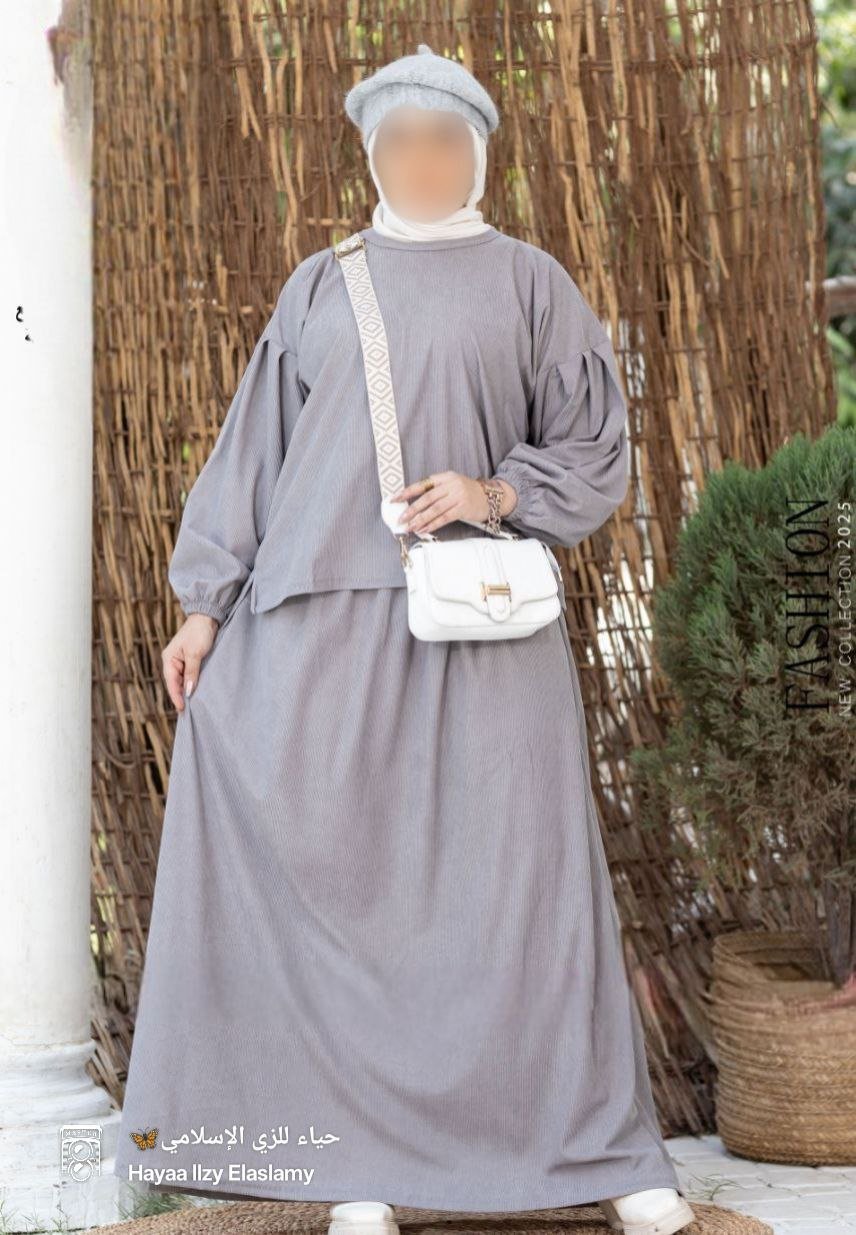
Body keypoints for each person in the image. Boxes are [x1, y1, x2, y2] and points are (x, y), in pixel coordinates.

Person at [113, 42, 695, 1235]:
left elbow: (594, 448)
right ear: (372, 158)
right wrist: (204, 603)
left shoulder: (532, 283)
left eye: (443, 140)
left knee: (526, 889)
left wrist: (491, 490)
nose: (422, 161)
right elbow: (256, 453)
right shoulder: (319, 287)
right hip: (323, 629)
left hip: (484, 628)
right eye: (400, 143)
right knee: (351, 897)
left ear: (478, 153)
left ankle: (597, 1149)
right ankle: (361, 1161)